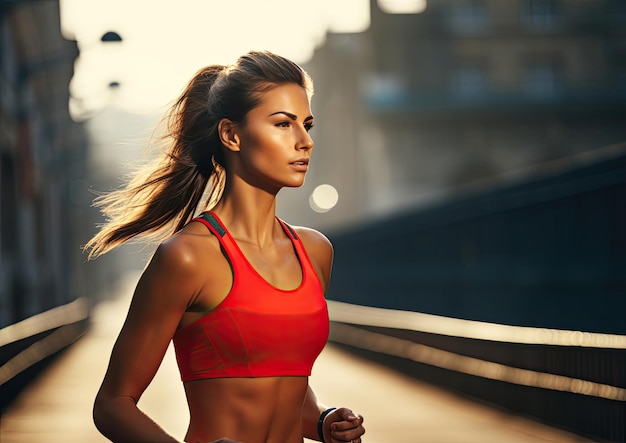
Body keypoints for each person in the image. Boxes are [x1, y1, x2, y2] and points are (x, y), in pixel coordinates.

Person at [84, 50, 366, 443]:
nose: (305, 142)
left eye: (307, 124)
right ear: (231, 135)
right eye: (283, 124)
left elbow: (283, 383)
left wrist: (322, 420)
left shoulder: (315, 251)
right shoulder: (187, 256)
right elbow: (113, 403)